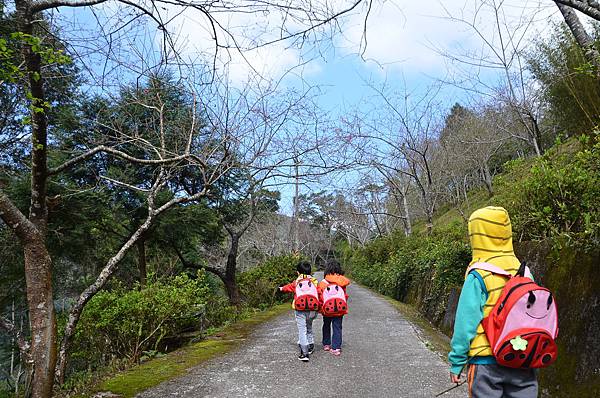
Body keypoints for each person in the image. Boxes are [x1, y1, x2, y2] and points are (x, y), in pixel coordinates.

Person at [449, 206, 538, 398]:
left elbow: (466, 324)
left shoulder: (478, 275)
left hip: (485, 363)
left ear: (477, 237)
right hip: (521, 357)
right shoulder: (525, 272)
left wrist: (457, 362)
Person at [279, 260, 319, 362]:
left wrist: (281, 288)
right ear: (310, 272)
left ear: (298, 272)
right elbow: (319, 293)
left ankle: (304, 353)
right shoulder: (314, 281)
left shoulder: (296, 282)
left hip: (300, 310)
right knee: (309, 327)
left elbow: (288, 288)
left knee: (302, 330)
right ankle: (310, 346)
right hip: (312, 310)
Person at [318, 259, 350, 356]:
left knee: (326, 325)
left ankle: (326, 344)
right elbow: (344, 295)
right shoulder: (342, 281)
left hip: (327, 309)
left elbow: (320, 295)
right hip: (339, 309)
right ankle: (336, 348)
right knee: (337, 327)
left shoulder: (323, 282)